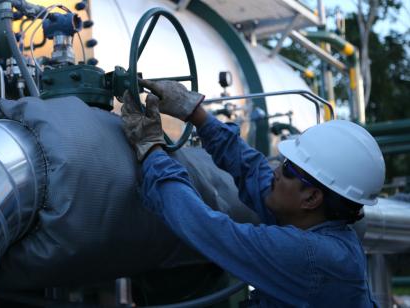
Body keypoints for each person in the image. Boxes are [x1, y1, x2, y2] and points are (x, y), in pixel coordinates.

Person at [120, 79, 385, 307]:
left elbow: (207, 229)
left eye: (288, 168)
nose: (275, 171)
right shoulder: (313, 223)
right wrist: (194, 113)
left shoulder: (309, 255)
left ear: (312, 198)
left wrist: (152, 149)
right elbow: (252, 171)